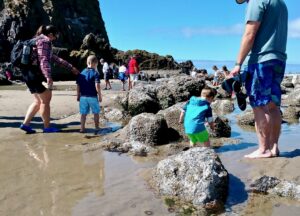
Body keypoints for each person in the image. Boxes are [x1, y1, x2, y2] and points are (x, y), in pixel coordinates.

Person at [231, 0, 288, 158]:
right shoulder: (281, 3)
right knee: (273, 105)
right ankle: (274, 147)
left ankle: (263, 149)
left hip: (261, 61)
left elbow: (250, 34)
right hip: (279, 59)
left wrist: (238, 63)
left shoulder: (257, 1)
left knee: (259, 106)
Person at [20, 25, 80, 134]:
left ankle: (25, 124)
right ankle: (47, 127)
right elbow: (44, 60)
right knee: (46, 99)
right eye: (56, 35)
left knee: (38, 100)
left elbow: (54, 58)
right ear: (51, 34)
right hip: (33, 74)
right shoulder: (45, 41)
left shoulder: (36, 40)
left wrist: (71, 68)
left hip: (27, 74)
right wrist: (48, 76)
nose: (56, 37)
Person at [76, 55, 102, 133]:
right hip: (93, 97)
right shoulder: (95, 73)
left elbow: (78, 85)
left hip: (83, 97)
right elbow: (97, 85)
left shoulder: (81, 73)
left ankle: (82, 128)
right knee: (96, 112)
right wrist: (100, 95)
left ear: (87, 63)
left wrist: (78, 95)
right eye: (96, 64)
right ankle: (97, 127)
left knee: (83, 114)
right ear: (94, 63)